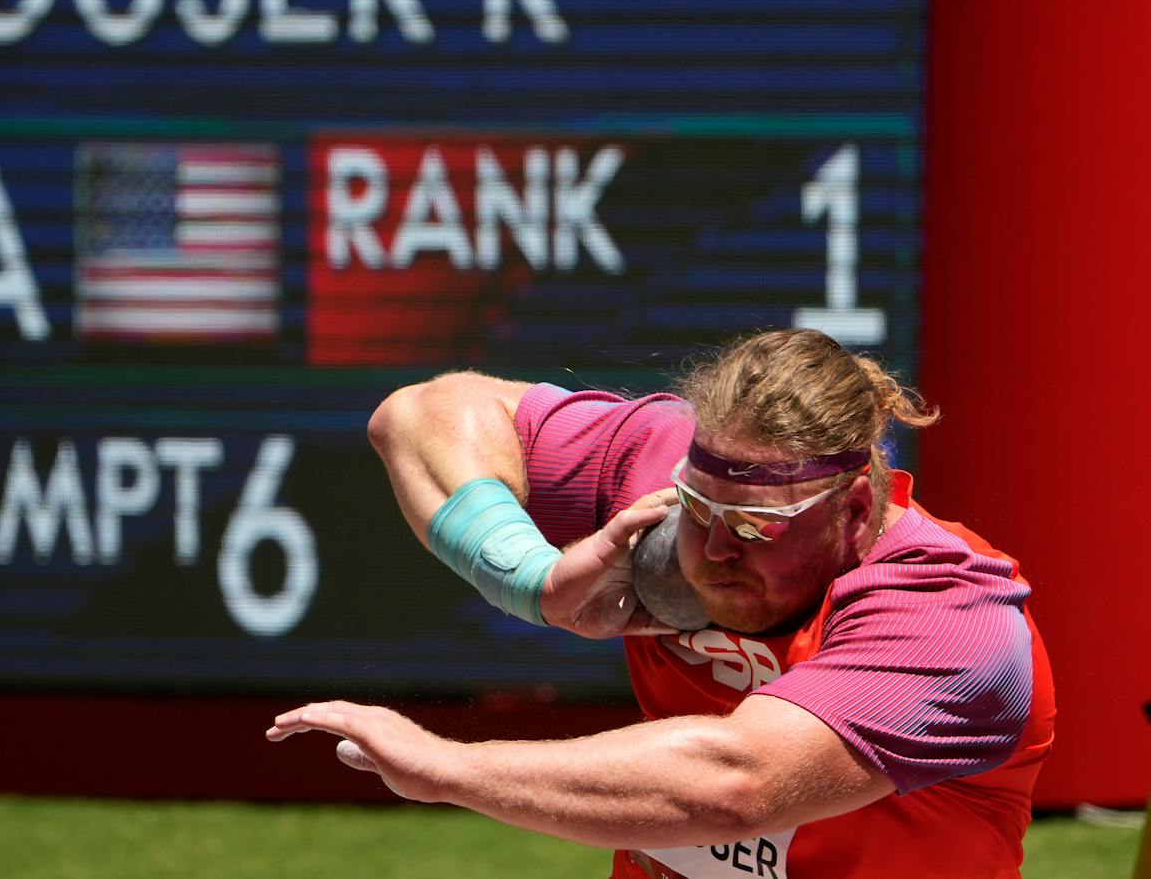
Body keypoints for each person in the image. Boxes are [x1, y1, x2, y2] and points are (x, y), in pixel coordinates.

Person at [268, 329, 1055, 879]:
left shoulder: (950, 616)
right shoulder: (662, 481)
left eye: (756, 526)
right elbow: (421, 414)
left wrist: (446, 767)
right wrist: (531, 578)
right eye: (700, 511)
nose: (712, 550)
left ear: (851, 511)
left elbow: (736, 785)